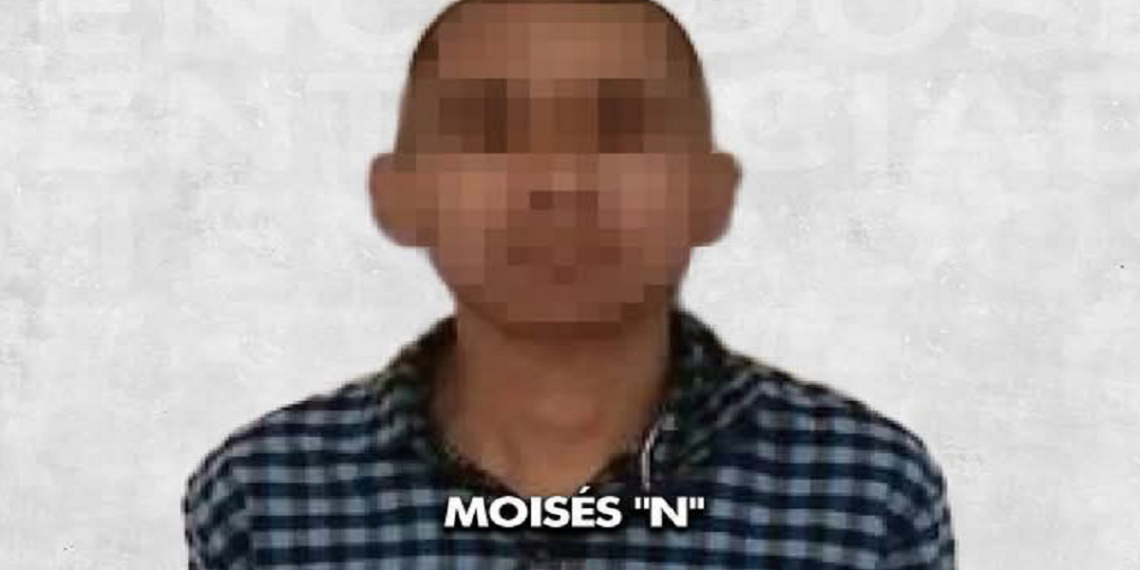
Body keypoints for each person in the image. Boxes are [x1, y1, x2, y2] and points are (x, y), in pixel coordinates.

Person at [183, 0, 957, 567]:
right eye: (490, 133)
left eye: (621, 129)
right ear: (397, 197)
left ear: (711, 194)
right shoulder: (269, 495)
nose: (558, 180)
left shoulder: (866, 490)